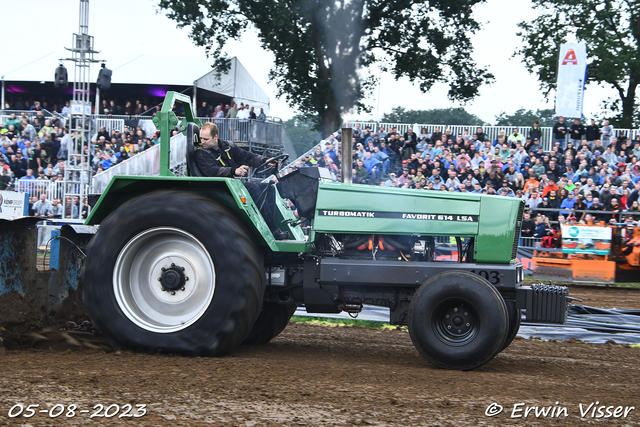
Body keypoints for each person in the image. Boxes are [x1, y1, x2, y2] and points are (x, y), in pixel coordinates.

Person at [194, 122, 288, 240]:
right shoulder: (201, 153)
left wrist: (265, 160)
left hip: (233, 185)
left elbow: (247, 157)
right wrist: (234, 171)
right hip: (219, 187)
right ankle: (268, 230)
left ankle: (271, 227)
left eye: (206, 139)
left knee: (269, 188)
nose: (202, 141)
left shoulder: (228, 146)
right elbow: (212, 171)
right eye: (201, 138)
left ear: (215, 137)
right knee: (253, 188)